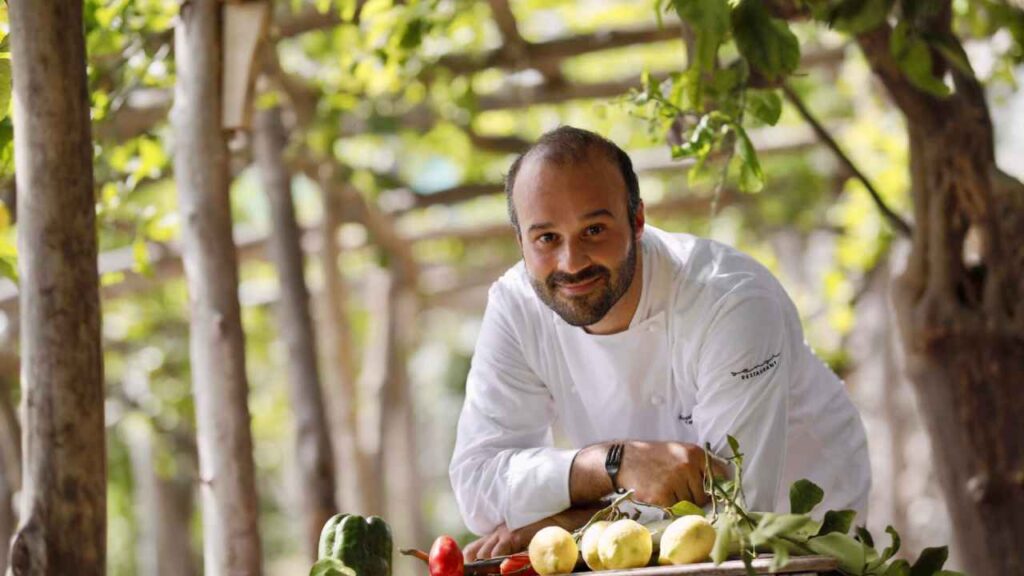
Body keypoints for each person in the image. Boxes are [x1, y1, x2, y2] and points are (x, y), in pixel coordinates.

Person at [449, 126, 871, 561]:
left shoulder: (731, 301)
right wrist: (611, 464)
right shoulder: (516, 306)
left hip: (801, 538)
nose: (571, 262)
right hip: (640, 550)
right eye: (546, 238)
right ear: (519, 240)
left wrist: (557, 521)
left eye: (594, 229)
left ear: (637, 221)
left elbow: (733, 510)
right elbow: (478, 487)